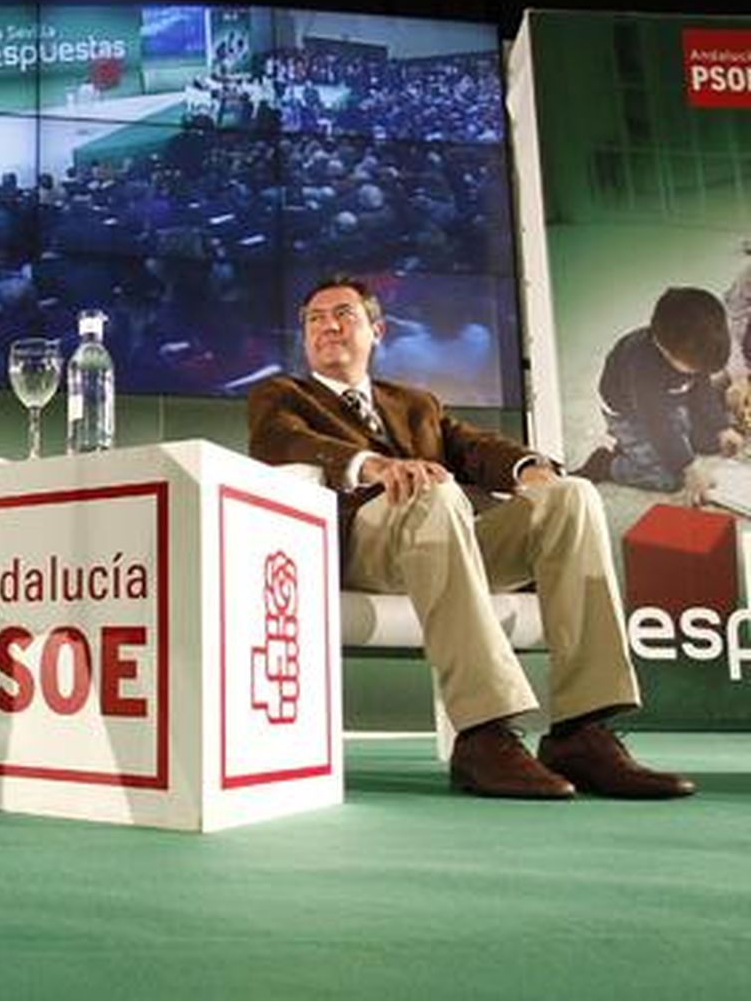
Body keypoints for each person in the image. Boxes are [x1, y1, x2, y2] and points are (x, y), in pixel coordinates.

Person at [248, 277, 694, 802]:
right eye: (314, 319)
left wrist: (529, 469)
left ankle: (581, 730)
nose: (328, 325)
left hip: (444, 535)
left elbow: (475, 446)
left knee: (571, 497)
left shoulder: (415, 403)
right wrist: (372, 464)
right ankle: (484, 733)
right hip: (363, 544)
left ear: (377, 329)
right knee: (432, 492)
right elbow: (281, 440)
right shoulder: (282, 395)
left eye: (343, 313)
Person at [574, 287, 742, 502]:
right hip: (630, 414)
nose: (700, 374)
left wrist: (722, 428)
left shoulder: (690, 351)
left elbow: (702, 388)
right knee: (670, 478)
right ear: (666, 350)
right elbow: (658, 424)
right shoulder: (641, 367)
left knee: (711, 441)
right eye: (694, 370)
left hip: (671, 399)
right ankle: (607, 465)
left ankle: (686, 439)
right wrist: (688, 466)